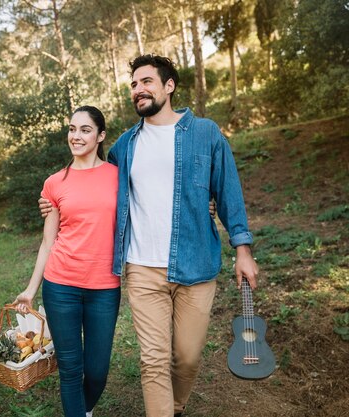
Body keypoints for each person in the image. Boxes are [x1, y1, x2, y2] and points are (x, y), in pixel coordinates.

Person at [40, 54, 258, 417]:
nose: (138, 90)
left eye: (146, 82)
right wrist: (53, 204)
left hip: (196, 264)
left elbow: (228, 191)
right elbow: (93, 188)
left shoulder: (206, 134)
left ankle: (175, 405)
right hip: (142, 270)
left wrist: (243, 248)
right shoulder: (123, 147)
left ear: (168, 86)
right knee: (153, 362)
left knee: (186, 359)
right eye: (133, 85)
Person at [14, 106, 120, 417]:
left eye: (85, 130)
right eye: (72, 129)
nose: (76, 135)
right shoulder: (55, 183)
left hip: (105, 287)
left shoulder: (118, 177)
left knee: (98, 371)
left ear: (100, 136)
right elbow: (49, 241)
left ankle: (82, 410)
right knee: (71, 370)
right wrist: (31, 289)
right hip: (61, 286)